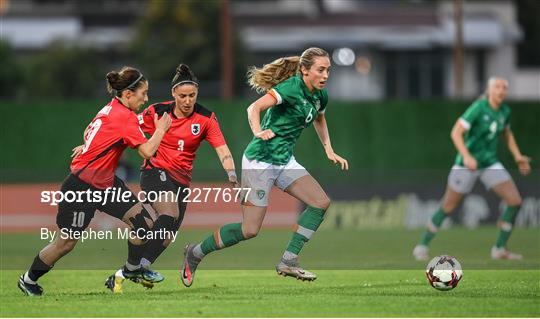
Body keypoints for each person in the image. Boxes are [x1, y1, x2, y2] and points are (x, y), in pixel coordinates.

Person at [181, 47, 348, 286]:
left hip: (284, 161)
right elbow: (254, 108)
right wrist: (258, 131)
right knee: (250, 230)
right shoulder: (291, 87)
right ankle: (195, 253)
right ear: (304, 70)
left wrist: (328, 149)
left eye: (328, 70)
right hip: (259, 161)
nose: (325, 75)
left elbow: (319, 118)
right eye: (320, 70)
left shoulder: (320, 96)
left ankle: (289, 260)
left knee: (321, 202)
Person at [17, 67, 172, 296]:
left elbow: (91, 130)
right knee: (65, 244)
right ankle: (28, 280)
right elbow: (148, 151)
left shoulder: (111, 108)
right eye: (143, 93)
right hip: (81, 187)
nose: (146, 98)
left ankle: (132, 269)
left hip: (106, 184)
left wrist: (87, 147)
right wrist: (161, 130)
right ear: (128, 94)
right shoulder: (124, 117)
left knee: (144, 224)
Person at [105, 64, 237, 293]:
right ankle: (139, 266)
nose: (187, 101)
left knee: (166, 237)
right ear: (173, 94)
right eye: (183, 96)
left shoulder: (206, 118)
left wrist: (232, 175)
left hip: (181, 181)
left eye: (192, 96)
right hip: (155, 171)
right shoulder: (157, 112)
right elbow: (123, 127)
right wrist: (95, 146)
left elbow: (223, 150)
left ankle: (127, 271)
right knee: (169, 213)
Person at [412, 77, 532, 261]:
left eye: (504, 87)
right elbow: (456, 132)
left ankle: (499, 249)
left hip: (489, 163)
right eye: (497, 87)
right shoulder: (479, 107)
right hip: (465, 165)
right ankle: (422, 245)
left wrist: (517, 155)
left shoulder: (504, 111)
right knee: (448, 206)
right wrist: (467, 156)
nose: (501, 90)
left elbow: (507, 134)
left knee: (515, 201)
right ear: (489, 90)